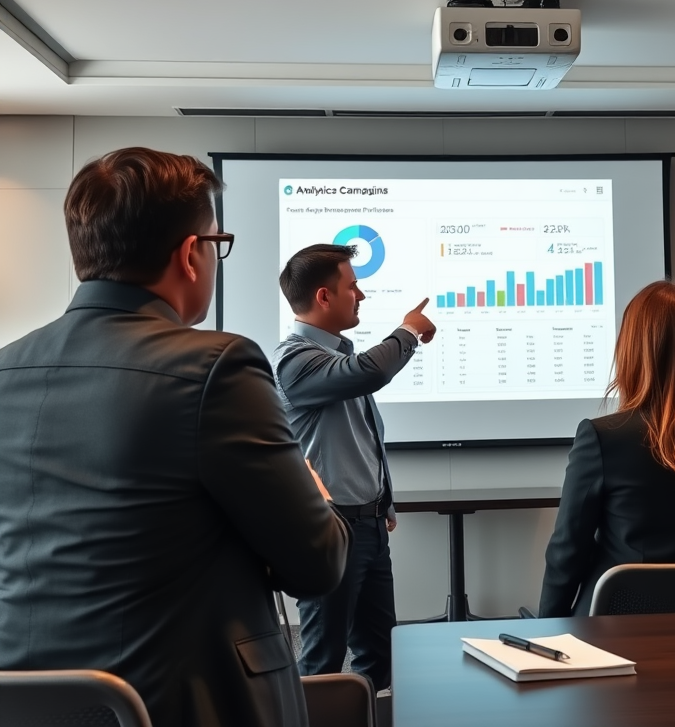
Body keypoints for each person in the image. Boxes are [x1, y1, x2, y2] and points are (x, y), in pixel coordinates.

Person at [0, 148, 349, 727]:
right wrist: (315, 490)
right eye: (218, 242)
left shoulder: (6, 369)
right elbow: (317, 566)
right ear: (191, 254)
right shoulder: (216, 365)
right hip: (187, 705)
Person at [538, 281, 675, 617]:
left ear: (633, 350)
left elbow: (567, 553)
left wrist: (546, 634)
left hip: (614, 637)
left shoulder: (601, 437)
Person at [273, 244, 436, 690]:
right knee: (323, 661)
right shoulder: (295, 360)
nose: (360, 295)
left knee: (379, 657)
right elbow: (370, 372)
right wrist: (407, 330)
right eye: (353, 285)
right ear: (324, 296)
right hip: (330, 530)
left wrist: (383, 501)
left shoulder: (335, 356)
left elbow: (362, 437)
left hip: (366, 526)